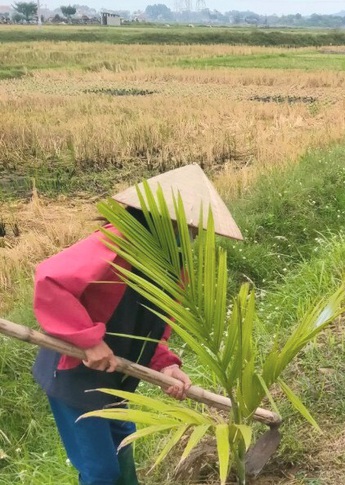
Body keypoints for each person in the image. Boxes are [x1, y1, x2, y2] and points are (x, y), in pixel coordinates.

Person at [32, 164, 243, 485]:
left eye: (196, 229)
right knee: (101, 471)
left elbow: (155, 324)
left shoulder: (173, 265)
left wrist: (165, 366)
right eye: (187, 226)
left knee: (122, 445)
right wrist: (88, 340)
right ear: (160, 217)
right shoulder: (118, 242)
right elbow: (50, 280)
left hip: (120, 373)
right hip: (74, 371)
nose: (193, 234)